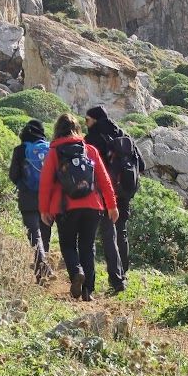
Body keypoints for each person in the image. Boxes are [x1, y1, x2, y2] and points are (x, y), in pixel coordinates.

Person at [39, 114, 118, 301]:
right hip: (93, 206)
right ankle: (87, 291)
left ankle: (76, 273)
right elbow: (104, 180)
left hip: (65, 207)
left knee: (67, 245)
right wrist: (112, 205)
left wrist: (44, 209)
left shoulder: (54, 153)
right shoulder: (89, 150)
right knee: (87, 246)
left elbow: (45, 184)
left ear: (57, 130)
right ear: (78, 130)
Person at [85, 106, 144, 294]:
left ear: (94, 120)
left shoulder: (93, 138)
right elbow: (141, 165)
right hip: (125, 192)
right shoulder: (123, 135)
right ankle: (123, 272)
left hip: (104, 193)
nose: (86, 124)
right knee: (121, 231)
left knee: (108, 234)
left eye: (87, 120)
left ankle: (116, 279)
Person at [8, 119, 54, 282]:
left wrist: (23, 185)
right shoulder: (50, 149)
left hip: (28, 197)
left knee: (34, 233)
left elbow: (13, 175)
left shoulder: (20, 150)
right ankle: (44, 265)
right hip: (48, 197)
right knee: (45, 232)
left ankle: (41, 267)